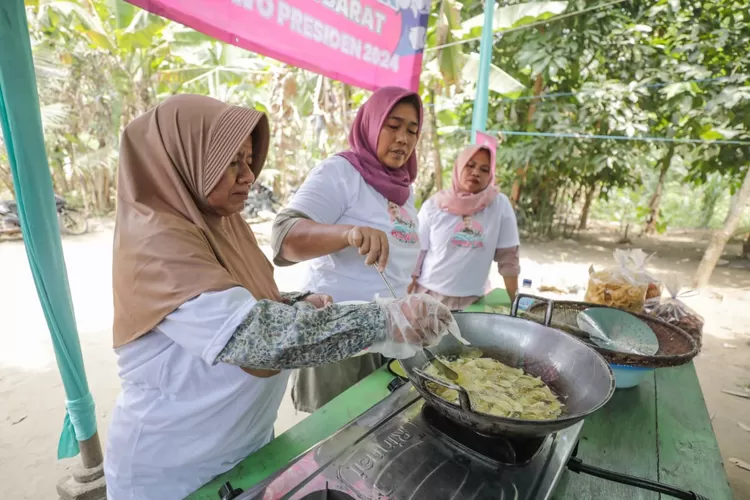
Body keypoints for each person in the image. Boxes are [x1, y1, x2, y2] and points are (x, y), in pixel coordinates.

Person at [103, 94, 455, 500]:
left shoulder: (223, 225)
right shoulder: (156, 244)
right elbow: (260, 338)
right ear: (185, 162)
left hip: (242, 448)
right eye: (231, 162)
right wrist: (389, 320)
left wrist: (297, 302)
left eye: (248, 160)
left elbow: (244, 301)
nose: (249, 176)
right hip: (174, 469)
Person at [271, 87, 423, 413]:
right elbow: (285, 236)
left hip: (385, 331)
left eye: (412, 130)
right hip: (335, 331)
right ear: (371, 124)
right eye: (393, 125)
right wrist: (349, 234)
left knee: (371, 429)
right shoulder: (341, 173)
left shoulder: (403, 188)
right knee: (329, 440)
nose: (403, 138)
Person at [408, 144, 521, 310]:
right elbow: (417, 252)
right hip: (429, 296)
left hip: (473, 300)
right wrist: (409, 285)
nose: (476, 172)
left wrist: (515, 303)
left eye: (484, 169)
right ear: (458, 167)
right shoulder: (434, 205)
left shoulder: (499, 205)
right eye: (470, 165)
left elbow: (509, 259)